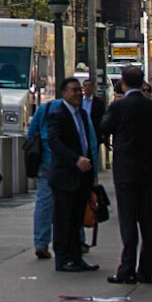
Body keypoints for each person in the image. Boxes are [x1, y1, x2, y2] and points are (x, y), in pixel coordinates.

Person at [100, 66, 152, 285]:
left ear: (123, 84)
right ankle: (146, 269)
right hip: (146, 170)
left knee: (128, 221)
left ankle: (127, 267)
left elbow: (104, 128)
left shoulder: (119, 107)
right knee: (147, 221)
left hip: (126, 170)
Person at [46, 75, 97, 273]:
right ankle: (63, 258)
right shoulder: (57, 113)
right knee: (63, 218)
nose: (78, 93)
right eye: (74, 90)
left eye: (79, 90)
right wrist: (75, 159)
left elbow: (87, 141)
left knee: (76, 219)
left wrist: (91, 170)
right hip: (65, 175)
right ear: (64, 93)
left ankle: (76, 257)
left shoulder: (82, 114)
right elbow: (54, 142)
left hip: (82, 175)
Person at [27, 93, 54, 259]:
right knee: (71, 203)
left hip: (46, 161)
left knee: (44, 203)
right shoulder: (77, 112)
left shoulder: (45, 109)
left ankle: (41, 242)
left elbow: (30, 135)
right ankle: (77, 239)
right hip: (68, 165)